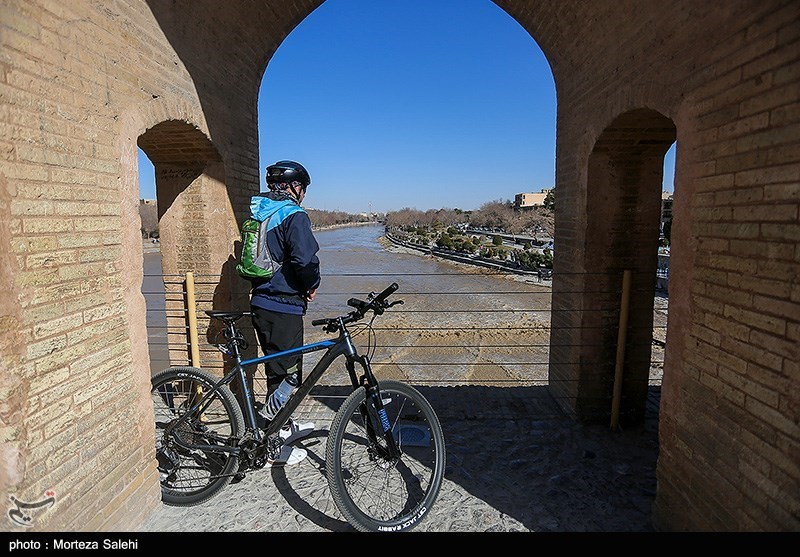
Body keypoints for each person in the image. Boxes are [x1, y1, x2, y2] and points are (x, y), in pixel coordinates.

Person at [249, 160, 320, 466]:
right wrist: (311, 285)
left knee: (276, 369)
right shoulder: (294, 215)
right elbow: (305, 259)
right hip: (283, 305)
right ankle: (271, 442)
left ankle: (283, 425)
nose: (303, 194)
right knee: (289, 375)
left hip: (260, 302)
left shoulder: (260, 212)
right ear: (295, 187)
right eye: (302, 188)